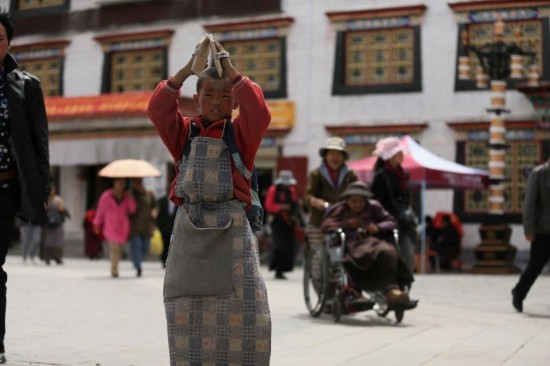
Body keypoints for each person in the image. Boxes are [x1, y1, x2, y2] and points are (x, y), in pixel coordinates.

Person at [147, 38, 271, 365]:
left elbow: (258, 110)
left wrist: (230, 71)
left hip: (232, 229)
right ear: (196, 99)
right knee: (185, 306)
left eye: (225, 95)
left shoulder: (242, 135)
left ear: (234, 102)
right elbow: (157, 109)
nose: (216, 102)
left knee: (245, 310)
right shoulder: (183, 134)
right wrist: (186, 71)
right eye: (208, 95)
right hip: (190, 227)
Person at [0, 11, 50, 364]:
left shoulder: (26, 86)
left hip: (4, 189)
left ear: (9, 43)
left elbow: (38, 142)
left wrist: (40, 191)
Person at [321, 181, 416, 308]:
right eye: (354, 201)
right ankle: (354, 291)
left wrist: (377, 227)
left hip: (373, 241)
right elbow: (326, 225)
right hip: (350, 244)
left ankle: (391, 291)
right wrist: (347, 224)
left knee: (389, 252)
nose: (358, 204)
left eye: (361, 201)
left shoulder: (374, 207)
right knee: (363, 254)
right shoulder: (339, 209)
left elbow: (391, 221)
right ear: (347, 201)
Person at [370, 136, 417, 274]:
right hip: (385, 223)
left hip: (402, 222)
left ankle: (403, 287)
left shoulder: (404, 174)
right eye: (398, 153)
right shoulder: (380, 175)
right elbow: (374, 200)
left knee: (407, 255)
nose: (402, 155)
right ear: (390, 155)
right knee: (386, 256)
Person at [511, 158, 550, 313]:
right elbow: (529, 204)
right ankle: (519, 293)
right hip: (543, 231)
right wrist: (529, 229)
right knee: (535, 266)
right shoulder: (539, 173)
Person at [305, 136, 357, 228]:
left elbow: (357, 193)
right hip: (320, 221)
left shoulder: (351, 175)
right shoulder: (316, 174)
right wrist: (316, 201)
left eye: (338, 154)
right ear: (326, 156)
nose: (335, 158)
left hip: (345, 220)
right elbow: (308, 196)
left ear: (343, 157)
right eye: (332, 154)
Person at [93, 178, 136, 278]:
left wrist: (131, 199)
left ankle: (115, 266)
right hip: (110, 225)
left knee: (118, 249)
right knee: (114, 248)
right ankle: (114, 269)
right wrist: (97, 224)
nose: (121, 185)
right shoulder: (106, 196)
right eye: (119, 182)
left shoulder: (126, 196)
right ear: (114, 183)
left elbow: (132, 210)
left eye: (123, 183)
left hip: (122, 227)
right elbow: (100, 211)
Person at [264, 170, 300, 280]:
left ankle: (284, 269)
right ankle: (277, 269)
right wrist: (282, 207)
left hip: (289, 222)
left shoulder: (292, 191)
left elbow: (294, 205)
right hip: (277, 221)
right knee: (278, 245)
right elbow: (268, 205)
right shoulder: (273, 190)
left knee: (288, 246)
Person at [128, 177, 158, 277]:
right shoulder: (129, 195)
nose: (137, 183)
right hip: (134, 227)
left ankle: (137, 261)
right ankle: (138, 267)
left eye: (139, 181)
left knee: (145, 248)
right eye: (135, 181)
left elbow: (155, 206)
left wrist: (155, 211)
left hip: (146, 226)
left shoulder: (149, 194)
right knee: (136, 247)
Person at [42, 185, 69, 265]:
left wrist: (60, 207)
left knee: (58, 241)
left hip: (57, 222)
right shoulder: (45, 199)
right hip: (48, 222)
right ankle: (47, 257)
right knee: (48, 241)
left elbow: (63, 209)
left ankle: (57, 257)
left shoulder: (58, 199)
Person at [157, 186, 177, 268]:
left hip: (174, 227)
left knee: (172, 245)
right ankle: (164, 260)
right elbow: (159, 214)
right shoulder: (161, 201)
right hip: (164, 227)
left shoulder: (177, 201)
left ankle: (170, 260)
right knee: (165, 244)